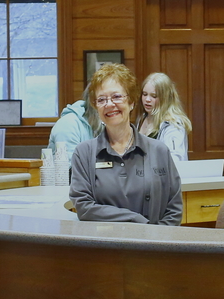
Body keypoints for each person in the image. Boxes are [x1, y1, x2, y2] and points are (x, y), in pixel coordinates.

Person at [69, 63, 182, 224]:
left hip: (153, 245)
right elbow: (84, 207)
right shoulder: (84, 153)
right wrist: (135, 220)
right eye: (101, 99)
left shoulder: (159, 151)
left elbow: (174, 209)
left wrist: (155, 240)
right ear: (96, 107)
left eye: (116, 96)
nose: (109, 104)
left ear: (131, 102)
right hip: (104, 245)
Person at [137, 72, 191, 163]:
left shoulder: (173, 124)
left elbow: (175, 160)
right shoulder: (142, 118)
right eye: (144, 94)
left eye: (154, 96)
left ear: (165, 98)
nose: (147, 100)